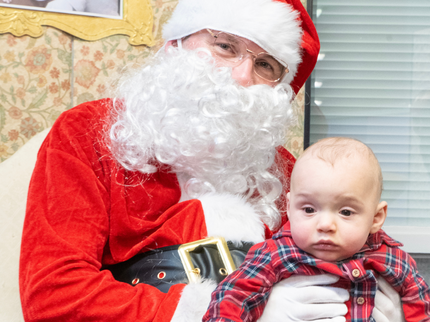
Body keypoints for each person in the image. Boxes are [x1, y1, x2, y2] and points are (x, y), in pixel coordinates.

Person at [19, 0, 404, 321]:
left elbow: (342, 252)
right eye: (225, 46)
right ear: (176, 44)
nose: (241, 76)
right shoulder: (87, 132)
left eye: (266, 65)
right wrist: (240, 312)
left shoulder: (287, 171)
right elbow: (53, 295)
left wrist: (377, 296)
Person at [203, 137, 430, 322]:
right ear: (290, 208)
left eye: (346, 212)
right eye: (309, 209)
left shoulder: (392, 259)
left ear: (376, 218)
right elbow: (233, 297)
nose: (325, 225)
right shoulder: (274, 255)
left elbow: (420, 303)